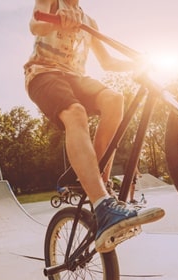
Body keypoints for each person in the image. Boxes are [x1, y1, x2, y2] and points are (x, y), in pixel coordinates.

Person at [25, 0, 164, 253]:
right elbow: (36, 25)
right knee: (75, 112)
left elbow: (108, 63)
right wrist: (55, 18)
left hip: (76, 77)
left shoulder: (90, 22)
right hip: (44, 74)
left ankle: (100, 183)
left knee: (114, 100)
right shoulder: (51, 2)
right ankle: (101, 203)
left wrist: (138, 62)